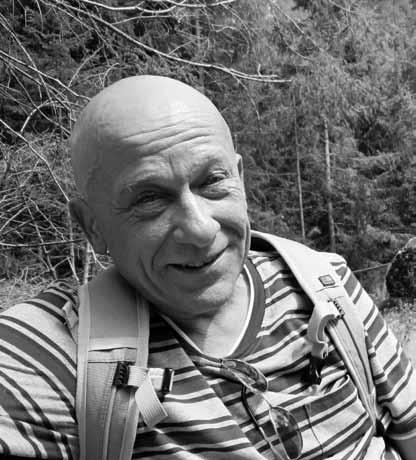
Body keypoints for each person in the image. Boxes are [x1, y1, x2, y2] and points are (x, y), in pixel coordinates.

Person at [0, 75, 415, 460]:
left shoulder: (326, 285)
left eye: (212, 181)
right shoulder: (53, 353)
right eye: (149, 199)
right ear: (92, 226)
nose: (200, 229)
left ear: (240, 179)